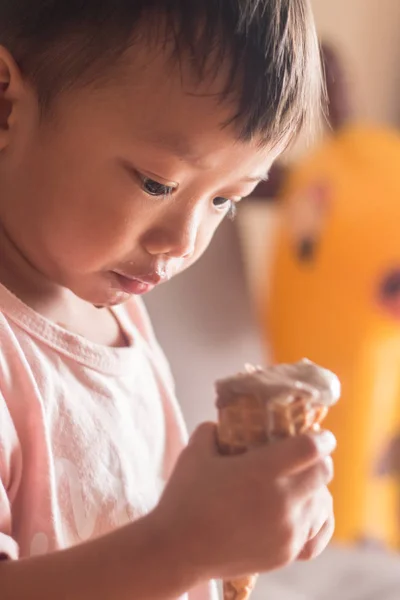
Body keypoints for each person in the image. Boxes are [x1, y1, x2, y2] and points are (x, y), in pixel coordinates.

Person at [0, 1, 336, 598]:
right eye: (157, 183)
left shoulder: (119, 308)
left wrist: (247, 517)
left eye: (224, 200)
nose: (183, 243)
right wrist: (182, 547)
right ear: (5, 107)